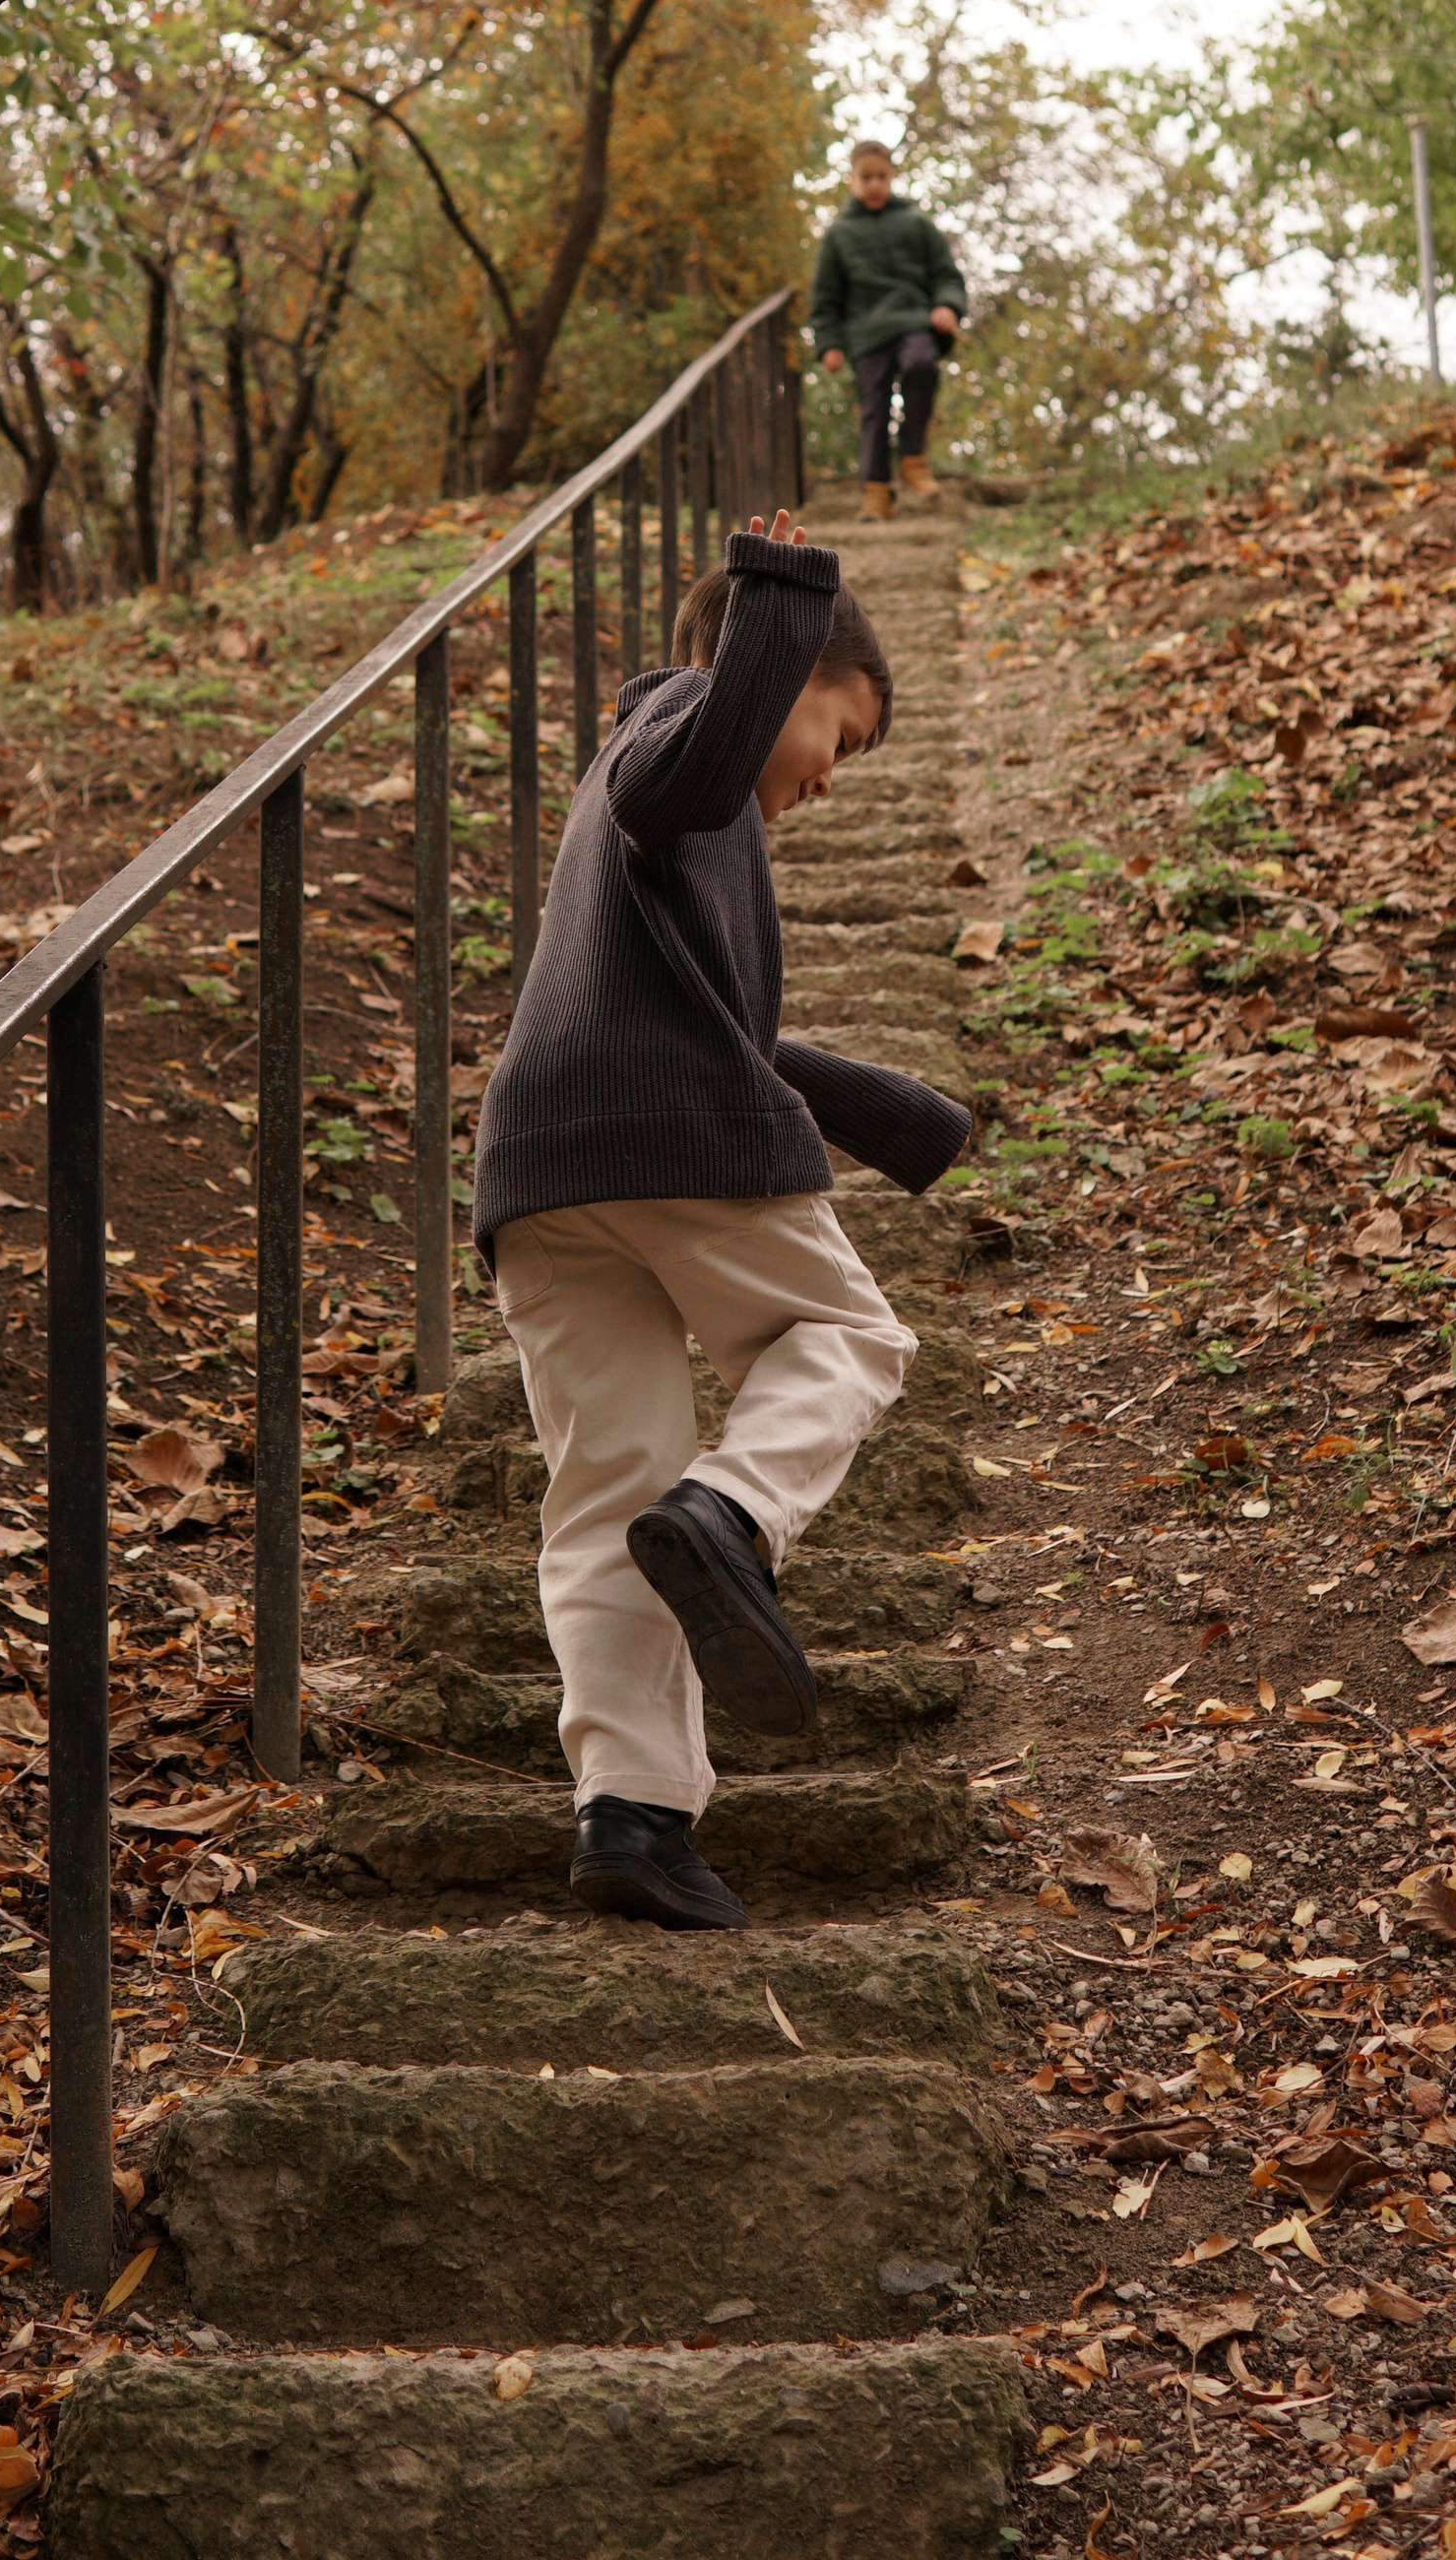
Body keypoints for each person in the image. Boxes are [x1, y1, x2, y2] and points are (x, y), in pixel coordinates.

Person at [471, 510, 972, 1931]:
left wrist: (901, 1118)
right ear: (785, 669)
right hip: (671, 1139)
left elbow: (728, 1029)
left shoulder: (658, 830)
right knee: (850, 1336)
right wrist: (783, 593)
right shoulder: (677, 734)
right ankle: (736, 1511)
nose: (830, 782)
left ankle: (630, 1815)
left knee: (605, 1491)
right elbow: (690, 761)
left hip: (547, 1177)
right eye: (842, 737)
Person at [808, 138, 967, 522]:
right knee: (874, 412)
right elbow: (825, 297)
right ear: (852, 180)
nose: (875, 184)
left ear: (892, 177)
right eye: (866, 177)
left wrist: (947, 306)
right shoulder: (839, 235)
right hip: (865, 336)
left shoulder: (915, 223)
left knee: (920, 366)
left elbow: (946, 275)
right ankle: (876, 494)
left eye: (882, 176)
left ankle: (913, 459)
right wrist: (829, 342)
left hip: (914, 323)